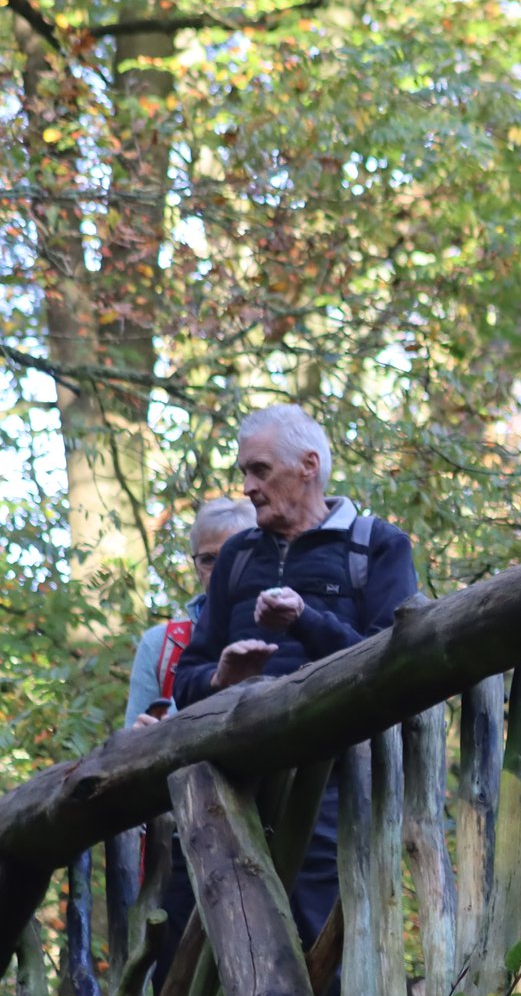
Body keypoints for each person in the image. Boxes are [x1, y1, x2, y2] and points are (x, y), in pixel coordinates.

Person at [170, 404, 419, 952]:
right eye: (244, 472)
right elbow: (184, 680)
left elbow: (394, 667)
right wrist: (221, 678)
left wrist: (305, 620)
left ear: (308, 465)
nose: (248, 486)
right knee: (197, 956)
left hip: (333, 791)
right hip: (228, 790)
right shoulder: (235, 557)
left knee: (318, 951)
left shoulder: (376, 546)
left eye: (260, 470)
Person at [125, 497, 256, 723]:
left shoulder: (287, 628)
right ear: (195, 565)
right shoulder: (160, 645)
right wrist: (139, 736)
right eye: (208, 559)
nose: (219, 570)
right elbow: (126, 747)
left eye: (230, 556)